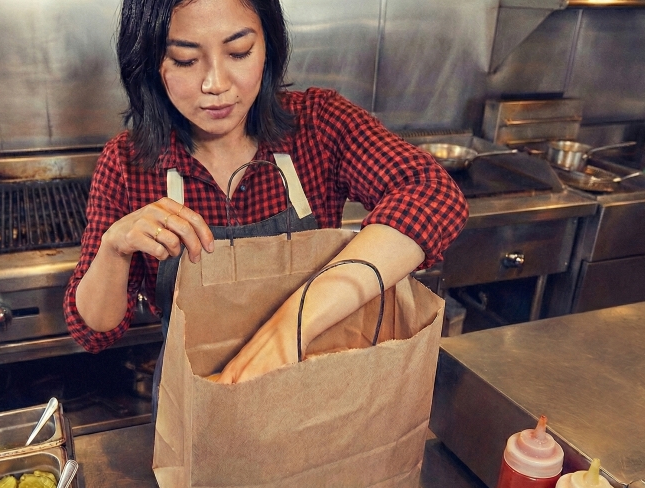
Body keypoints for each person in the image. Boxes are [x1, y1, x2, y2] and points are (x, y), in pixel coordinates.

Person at [64, 0, 468, 389]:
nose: (216, 84)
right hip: (197, 407)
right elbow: (93, 330)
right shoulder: (127, 162)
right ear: (151, 63)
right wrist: (114, 249)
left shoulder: (318, 124)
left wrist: (292, 323)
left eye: (239, 52)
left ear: (268, 46)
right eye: (186, 60)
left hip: (313, 389)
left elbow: (432, 194)